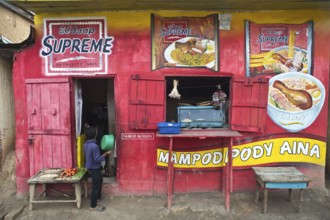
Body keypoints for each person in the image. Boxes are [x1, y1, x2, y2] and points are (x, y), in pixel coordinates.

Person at [84, 126, 111, 212]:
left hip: (89, 166)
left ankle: (97, 198)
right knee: (95, 186)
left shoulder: (85, 144)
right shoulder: (94, 146)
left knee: (100, 179)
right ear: (94, 135)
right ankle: (93, 206)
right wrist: (106, 154)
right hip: (94, 168)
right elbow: (97, 159)